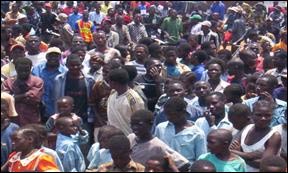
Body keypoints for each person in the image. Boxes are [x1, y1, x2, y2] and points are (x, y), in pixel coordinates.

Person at [230, 100, 282, 172]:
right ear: (252, 115)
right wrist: (251, 155)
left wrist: (240, 154)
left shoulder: (274, 136)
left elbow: (264, 164)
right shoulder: (247, 128)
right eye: (259, 115)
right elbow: (230, 149)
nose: (263, 118)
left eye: (267, 115)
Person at [154, 97, 206, 163]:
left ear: (183, 112)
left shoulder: (197, 133)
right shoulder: (161, 128)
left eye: (172, 114)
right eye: (167, 114)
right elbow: (157, 151)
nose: (168, 117)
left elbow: (200, 159)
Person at [2, 58, 44, 126]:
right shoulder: (8, 82)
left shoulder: (38, 81)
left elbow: (34, 98)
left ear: (30, 69)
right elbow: (6, 100)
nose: (23, 72)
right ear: (16, 69)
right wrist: (26, 94)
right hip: (13, 120)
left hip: (31, 119)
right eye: (20, 70)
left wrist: (14, 97)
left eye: (26, 70)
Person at [32, 47, 68, 120]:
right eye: (51, 55)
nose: (53, 58)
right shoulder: (38, 68)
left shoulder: (65, 71)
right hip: (39, 107)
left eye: (56, 56)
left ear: (60, 57)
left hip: (56, 108)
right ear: (46, 56)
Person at [107, 68, 145, 135]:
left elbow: (140, 120)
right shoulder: (112, 94)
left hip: (128, 137)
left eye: (109, 81)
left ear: (113, 83)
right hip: (112, 136)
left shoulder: (134, 98)